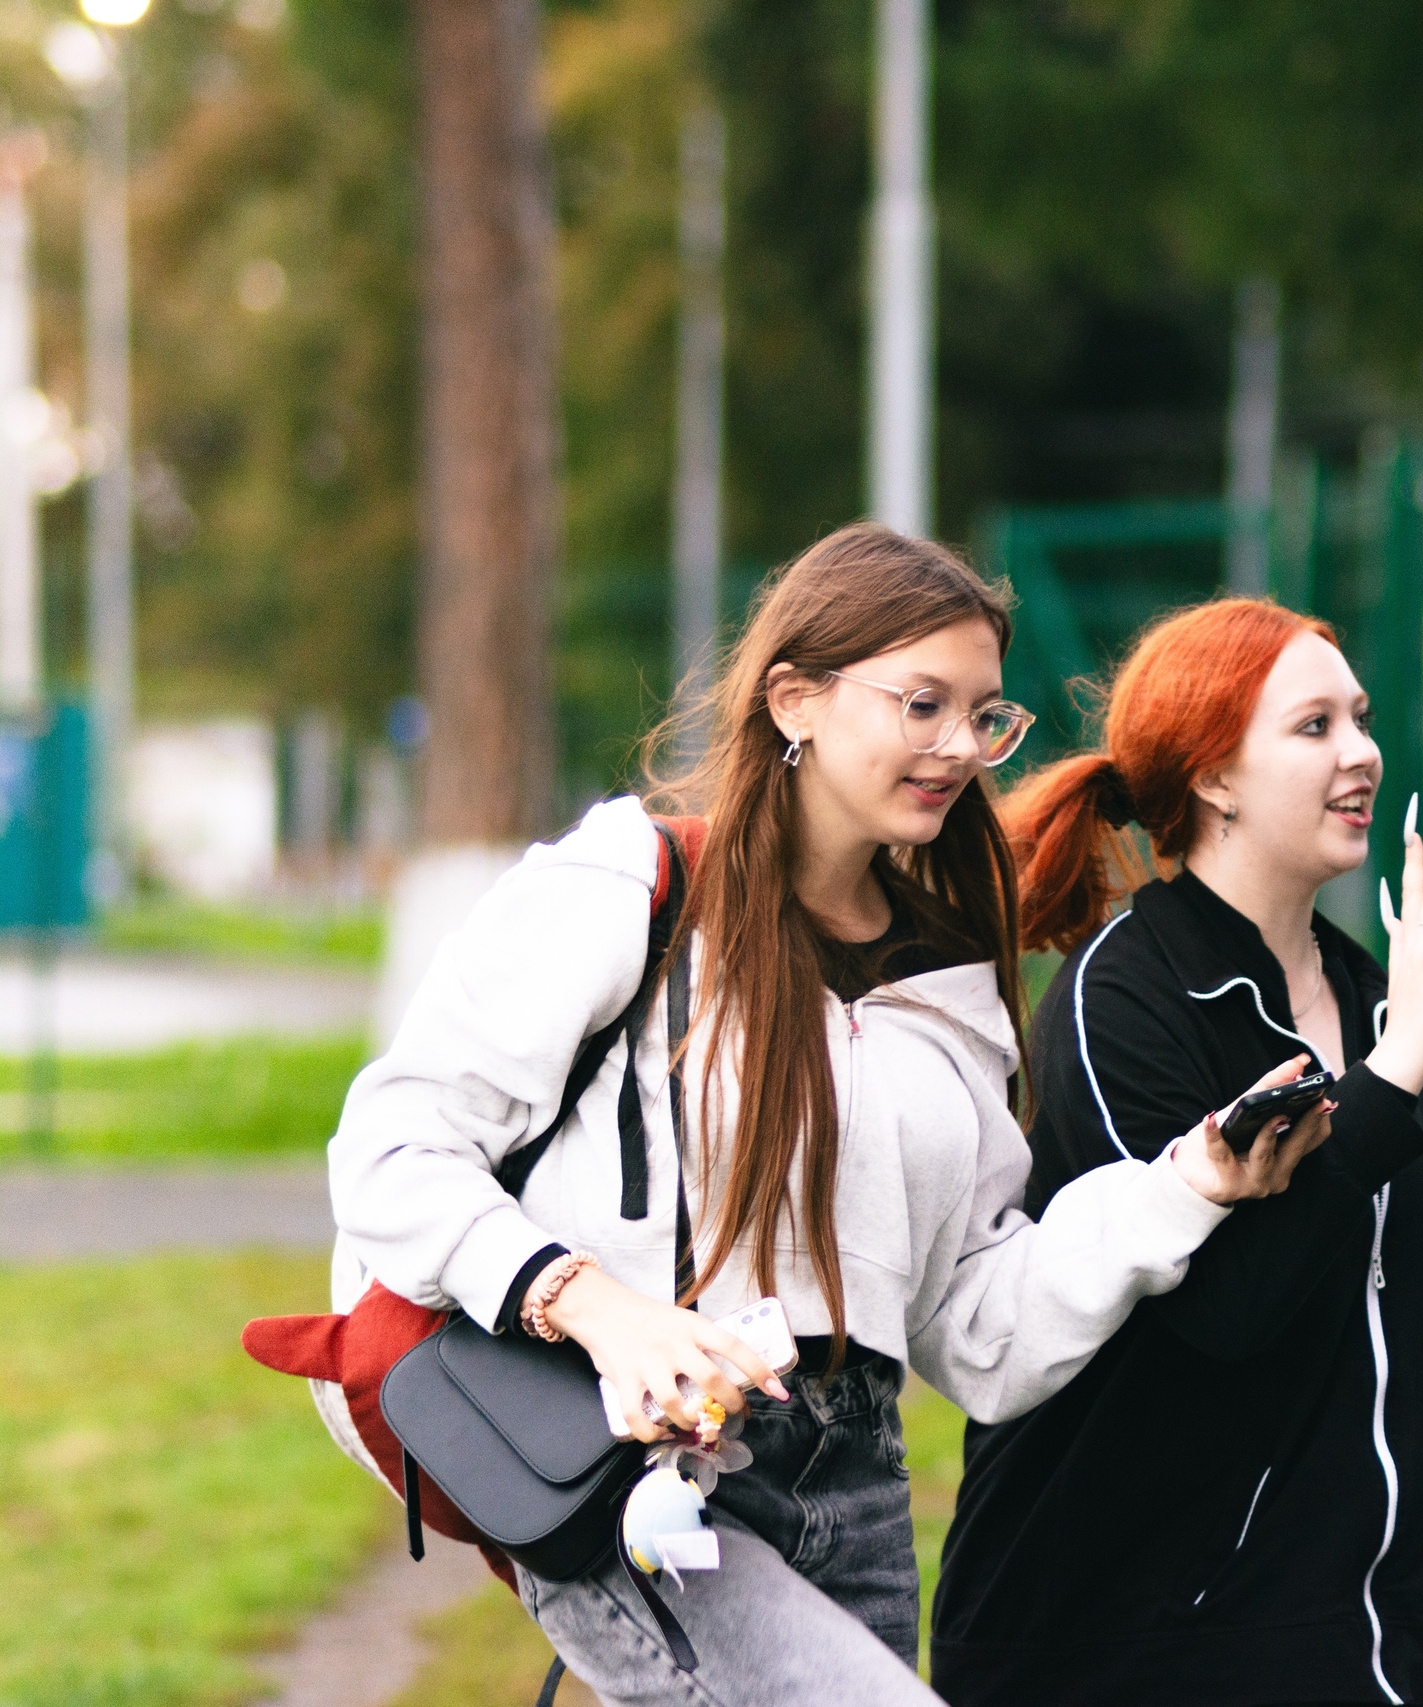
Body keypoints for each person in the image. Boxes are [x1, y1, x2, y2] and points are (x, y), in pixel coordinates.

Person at [326, 526, 1328, 1707]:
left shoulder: (950, 982)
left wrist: (1187, 1184)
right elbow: (393, 1149)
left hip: (855, 1476)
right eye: (921, 704)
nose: (961, 747)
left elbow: (979, 1331)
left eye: (985, 715)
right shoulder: (628, 891)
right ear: (794, 698)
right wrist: (597, 1309)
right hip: (633, 1470)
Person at [929, 598, 1423, 1707]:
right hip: (1117, 1645)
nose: (1362, 752)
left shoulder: (1371, 1000)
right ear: (1213, 779)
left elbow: (1391, 1349)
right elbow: (1229, 1314)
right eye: (1313, 727)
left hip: (1350, 1640)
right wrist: (1390, 1082)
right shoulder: (1126, 999)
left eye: (1362, 717)